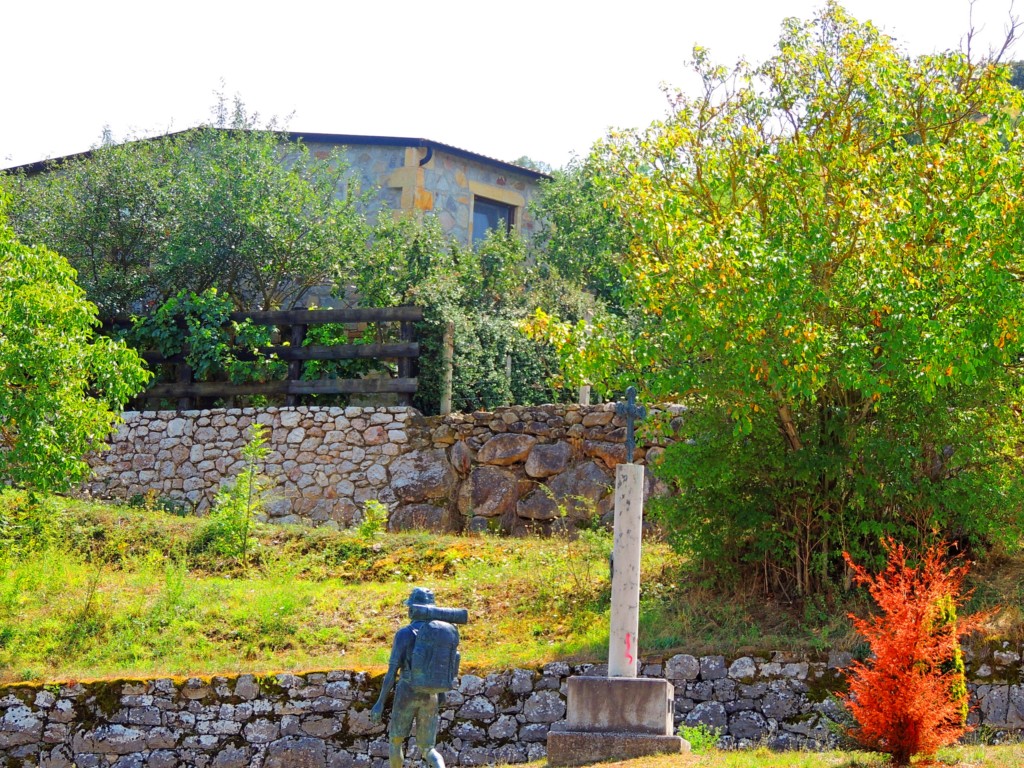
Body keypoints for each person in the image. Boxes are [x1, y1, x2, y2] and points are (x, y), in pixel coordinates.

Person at [370, 587, 448, 768]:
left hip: (407, 690)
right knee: (428, 748)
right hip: (431, 693)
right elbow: (443, 666)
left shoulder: (404, 634)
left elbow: (392, 672)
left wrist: (380, 702)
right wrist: (441, 694)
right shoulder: (441, 634)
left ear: (413, 609)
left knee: (396, 740)